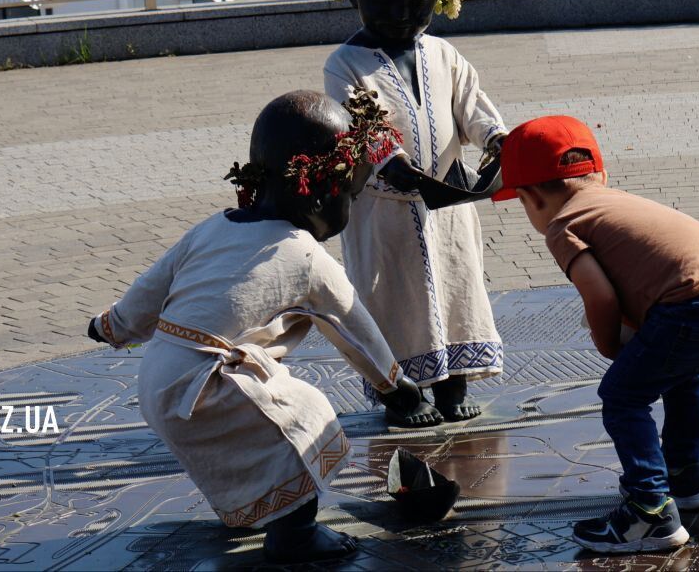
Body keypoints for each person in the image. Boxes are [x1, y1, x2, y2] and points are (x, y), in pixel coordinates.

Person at [86, 89, 439, 563]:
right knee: (301, 417)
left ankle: (256, 507)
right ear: (322, 190)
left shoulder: (213, 227)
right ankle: (294, 536)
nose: (350, 209)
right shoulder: (302, 252)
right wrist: (397, 388)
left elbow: (147, 292)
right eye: (351, 196)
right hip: (206, 384)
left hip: (157, 381)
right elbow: (354, 328)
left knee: (253, 430)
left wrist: (110, 326)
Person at [491, 115, 699, 554]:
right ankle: (685, 478)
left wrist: (609, 347)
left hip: (696, 305)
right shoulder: (613, 200)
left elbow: (599, 298)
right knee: (678, 374)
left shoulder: (564, 226)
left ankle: (649, 512)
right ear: (599, 174)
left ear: (531, 197)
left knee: (622, 395)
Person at [325, 0, 506, 425]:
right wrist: (395, 164)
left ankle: (453, 385)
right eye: (386, 5)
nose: (401, 17)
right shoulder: (345, 64)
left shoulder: (444, 55)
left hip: (447, 209)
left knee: (457, 289)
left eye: (417, 6)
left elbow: (474, 110)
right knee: (392, 299)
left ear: (439, 0)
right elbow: (367, 129)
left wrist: (497, 141)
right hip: (384, 212)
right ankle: (400, 392)